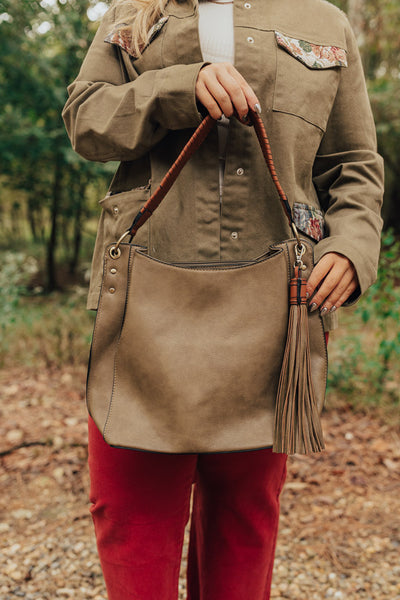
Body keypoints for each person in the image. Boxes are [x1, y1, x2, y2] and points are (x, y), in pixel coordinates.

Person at [62, 0, 383, 598]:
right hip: (146, 303)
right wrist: (177, 88)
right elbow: (84, 121)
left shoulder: (325, 22)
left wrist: (352, 248)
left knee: (245, 521)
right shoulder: (137, 14)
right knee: (133, 516)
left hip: (276, 304)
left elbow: (355, 165)